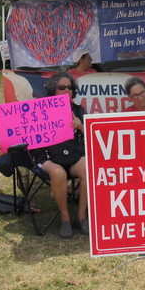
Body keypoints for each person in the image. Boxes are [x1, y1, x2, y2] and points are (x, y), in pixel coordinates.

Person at [32, 72, 88, 238]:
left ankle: (81, 216)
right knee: (58, 173)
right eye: (62, 87)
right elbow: (30, 138)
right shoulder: (40, 109)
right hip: (48, 157)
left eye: (70, 88)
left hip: (74, 155)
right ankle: (65, 217)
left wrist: (80, 126)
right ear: (53, 90)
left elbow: (93, 137)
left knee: (87, 168)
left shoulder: (78, 110)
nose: (67, 90)